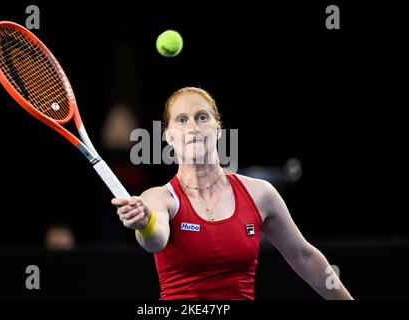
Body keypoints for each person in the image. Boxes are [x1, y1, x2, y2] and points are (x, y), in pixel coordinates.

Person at [111, 87, 353, 300]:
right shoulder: (158, 198)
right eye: (182, 120)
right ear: (168, 136)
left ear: (218, 129)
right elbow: (154, 241)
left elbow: (304, 256)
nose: (193, 127)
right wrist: (145, 223)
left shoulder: (260, 194)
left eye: (202, 117)